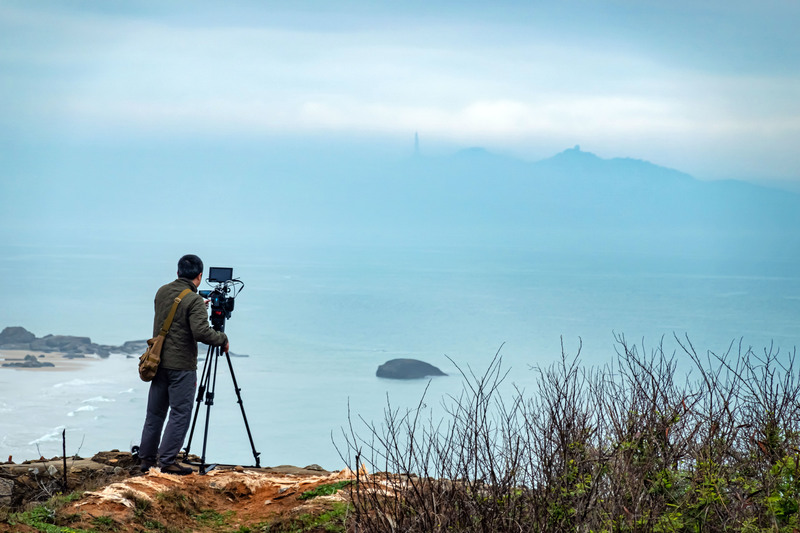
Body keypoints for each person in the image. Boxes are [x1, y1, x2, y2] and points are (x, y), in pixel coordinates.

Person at [137, 254, 229, 475]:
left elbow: (173, 315)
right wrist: (222, 339)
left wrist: (198, 309)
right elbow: (201, 332)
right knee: (180, 413)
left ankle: (146, 460)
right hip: (181, 367)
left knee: (155, 414)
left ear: (177, 272)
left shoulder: (162, 291)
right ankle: (167, 461)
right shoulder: (194, 300)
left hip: (157, 362)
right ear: (199, 276)